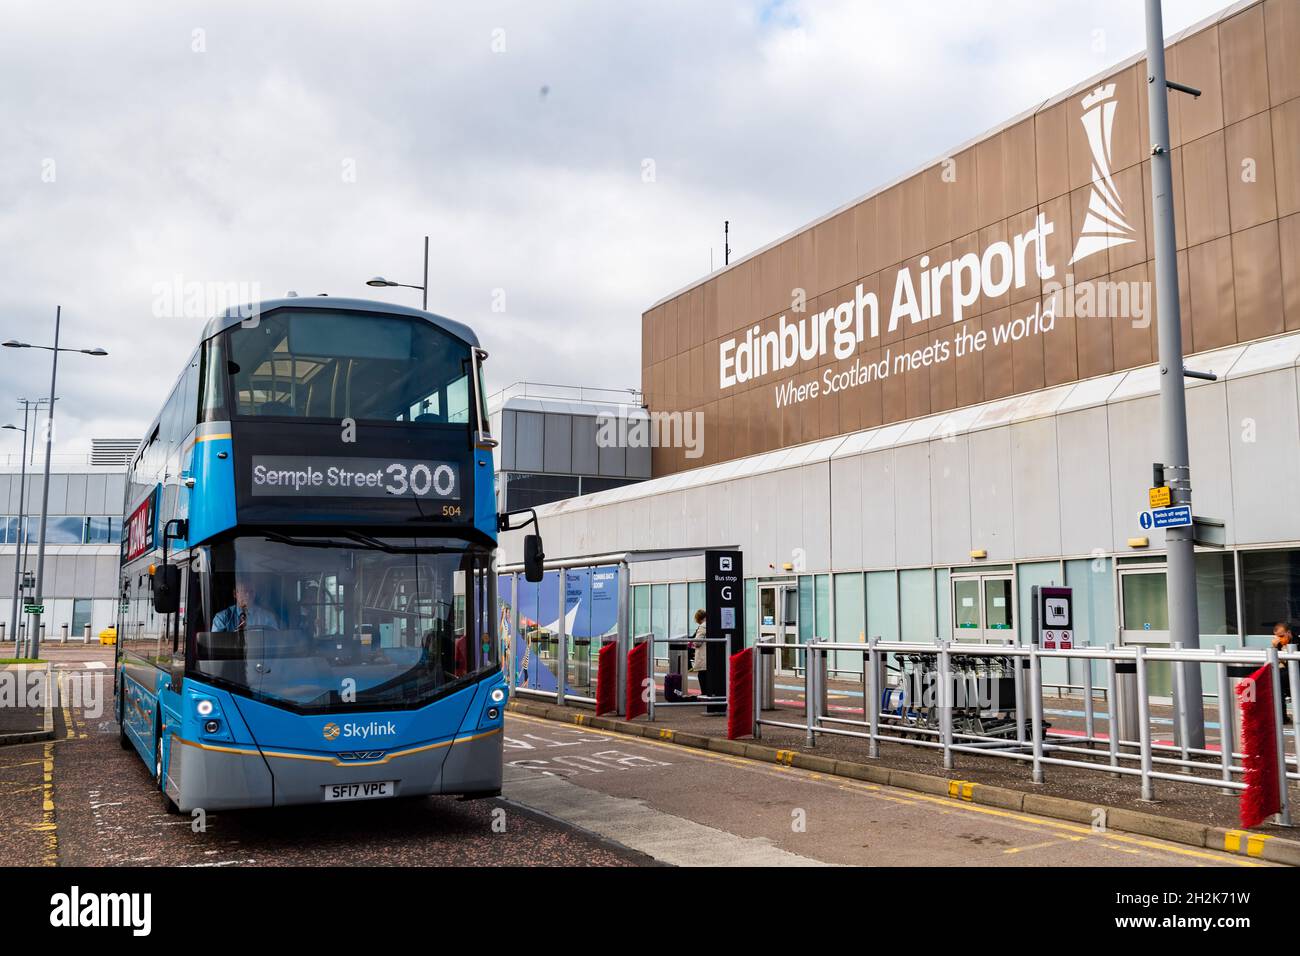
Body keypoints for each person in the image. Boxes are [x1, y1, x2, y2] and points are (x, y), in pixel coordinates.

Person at [212, 580, 282, 632]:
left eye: (251, 591)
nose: (248, 595)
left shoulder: (267, 617)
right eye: (244, 591)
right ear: (235, 594)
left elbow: (275, 641)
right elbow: (216, 645)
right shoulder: (222, 618)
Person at [1274, 622, 1294, 717]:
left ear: (1288, 633)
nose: (1279, 639)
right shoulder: (1278, 644)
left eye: (1281, 636)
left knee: (1278, 678)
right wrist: (1274, 648)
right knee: (1276, 678)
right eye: (1277, 637)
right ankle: (1282, 716)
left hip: (1295, 671)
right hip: (1288, 673)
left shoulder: (1296, 642)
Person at [689, 608, 708, 698]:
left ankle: (704, 694)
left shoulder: (703, 626)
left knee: (702, 675)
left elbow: (697, 642)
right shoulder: (712, 624)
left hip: (703, 655)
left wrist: (692, 644)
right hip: (710, 655)